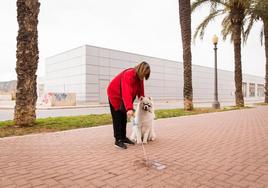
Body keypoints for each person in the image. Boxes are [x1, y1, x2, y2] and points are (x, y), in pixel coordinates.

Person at [107, 61, 151, 149]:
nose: (143, 77)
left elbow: (141, 91)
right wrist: (129, 108)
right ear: (141, 71)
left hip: (124, 97)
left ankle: (123, 138)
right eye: (144, 74)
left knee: (124, 117)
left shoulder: (140, 78)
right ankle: (118, 140)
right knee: (118, 117)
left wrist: (142, 99)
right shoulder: (128, 74)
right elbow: (126, 92)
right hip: (115, 95)